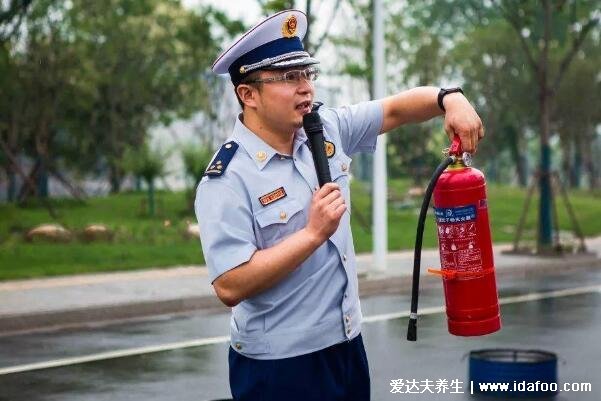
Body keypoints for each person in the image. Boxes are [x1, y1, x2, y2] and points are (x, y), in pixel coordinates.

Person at [195, 9, 483, 401]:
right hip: (280, 365)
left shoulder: (324, 129)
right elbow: (229, 284)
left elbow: (396, 109)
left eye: (307, 75)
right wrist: (313, 234)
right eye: (288, 78)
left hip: (346, 345)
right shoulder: (228, 178)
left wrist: (450, 98)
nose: (306, 89)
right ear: (248, 95)